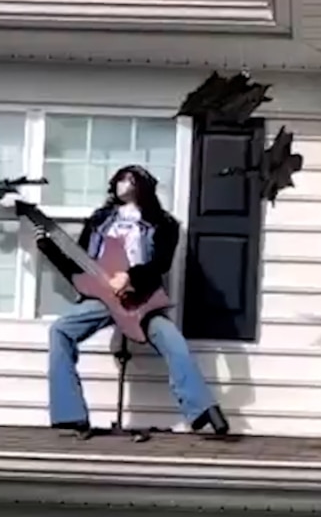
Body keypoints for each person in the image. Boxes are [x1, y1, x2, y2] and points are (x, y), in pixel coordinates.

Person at [35, 164, 229, 440]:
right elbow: (79, 267)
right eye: (119, 179)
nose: (122, 185)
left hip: (141, 299)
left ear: (143, 185)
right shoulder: (99, 221)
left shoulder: (164, 223)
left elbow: (161, 263)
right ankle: (70, 414)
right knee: (60, 330)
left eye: (129, 179)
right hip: (102, 298)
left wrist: (130, 276)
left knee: (173, 341)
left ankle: (203, 409)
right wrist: (50, 249)